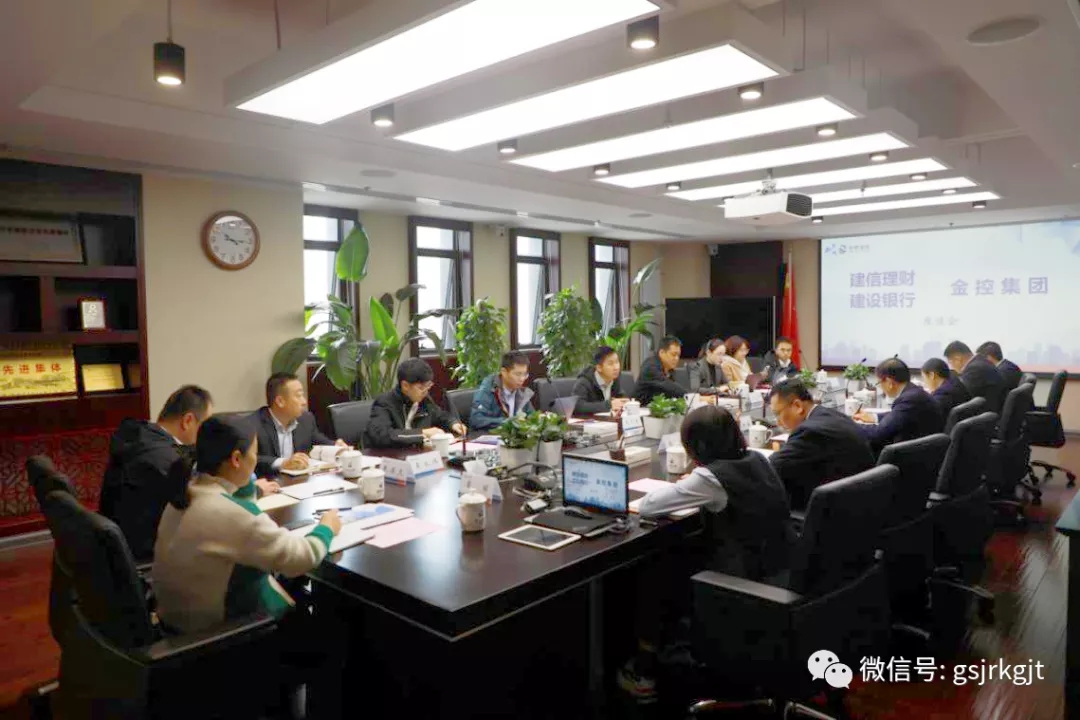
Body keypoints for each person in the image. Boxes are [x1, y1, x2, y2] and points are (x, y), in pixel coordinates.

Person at [618, 405, 792, 702]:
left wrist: (694, 479)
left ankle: (645, 669)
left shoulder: (711, 478)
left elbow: (647, 506)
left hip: (742, 583)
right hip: (779, 569)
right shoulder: (757, 459)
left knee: (656, 573)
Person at [153, 415, 341, 632]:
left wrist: (252, 487)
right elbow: (301, 558)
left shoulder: (187, 491)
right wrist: (327, 527)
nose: (255, 461)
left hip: (175, 622)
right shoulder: (231, 513)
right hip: (221, 635)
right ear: (236, 459)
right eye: (254, 453)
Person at [100, 385, 219, 563]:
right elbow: (201, 506)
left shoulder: (139, 435)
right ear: (188, 421)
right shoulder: (166, 461)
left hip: (119, 544)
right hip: (146, 554)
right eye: (205, 425)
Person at [768, 379, 875, 510]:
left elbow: (770, 468)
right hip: (863, 499)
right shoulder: (831, 414)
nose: (778, 422)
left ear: (797, 406)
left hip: (841, 509)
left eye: (777, 414)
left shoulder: (809, 432)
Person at [254, 373, 348, 477]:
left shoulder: (306, 419)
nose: (304, 402)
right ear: (280, 401)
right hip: (268, 482)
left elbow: (318, 441)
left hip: (300, 481)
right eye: (298, 396)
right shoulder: (252, 425)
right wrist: (283, 463)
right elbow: (249, 460)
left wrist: (336, 447)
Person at [366, 359, 466, 448]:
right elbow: (382, 435)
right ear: (405, 385)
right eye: (421, 388)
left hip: (417, 454)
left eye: (428, 386)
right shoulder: (384, 402)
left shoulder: (424, 399)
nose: (425, 392)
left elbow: (440, 415)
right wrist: (422, 433)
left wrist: (453, 423)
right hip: (391, 456)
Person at [854, 358, 943, 455]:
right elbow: (898, 414)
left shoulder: (909, 399)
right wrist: (874, 417)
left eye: (879, 383)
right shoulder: (914, 393)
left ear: (889, 382)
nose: (880, 387)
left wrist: (850, 425)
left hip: (910, 456)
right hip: (922, 450)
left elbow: (878, 433)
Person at [470, 351, 536, 431]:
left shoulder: (521, 392)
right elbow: (477, 420)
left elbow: (532, 417)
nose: (522, 379)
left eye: (525, 374)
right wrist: (510, 422)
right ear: (504, 372)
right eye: (518, 374)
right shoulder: (488, 390)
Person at [944, 340, 1005, 414]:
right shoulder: (981, 362)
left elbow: (960, 396)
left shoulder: (974, 369)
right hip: (992, 412)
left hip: (986, 414)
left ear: (958, 358)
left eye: (950, 362)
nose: (951, 366)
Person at [572, 346, 630, 414]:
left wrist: (624, 402)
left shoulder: (614, 378)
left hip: (609, 419)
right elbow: (578, 406)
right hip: (590, 420)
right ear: (599, 368)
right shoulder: (584, 382)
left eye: (617, 362)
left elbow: (619, 396)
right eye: (610, 364)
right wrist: (609, 405)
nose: (616, 367)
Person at [635, 336, 687, 405]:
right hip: (640, 407)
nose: (677, 358)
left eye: (678, 355)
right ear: (662, 352)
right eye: (673, 355)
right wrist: (690, 396)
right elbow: (668, 386)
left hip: (658, 408)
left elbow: (672, 392)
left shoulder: (670, 370)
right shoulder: (650, 366)